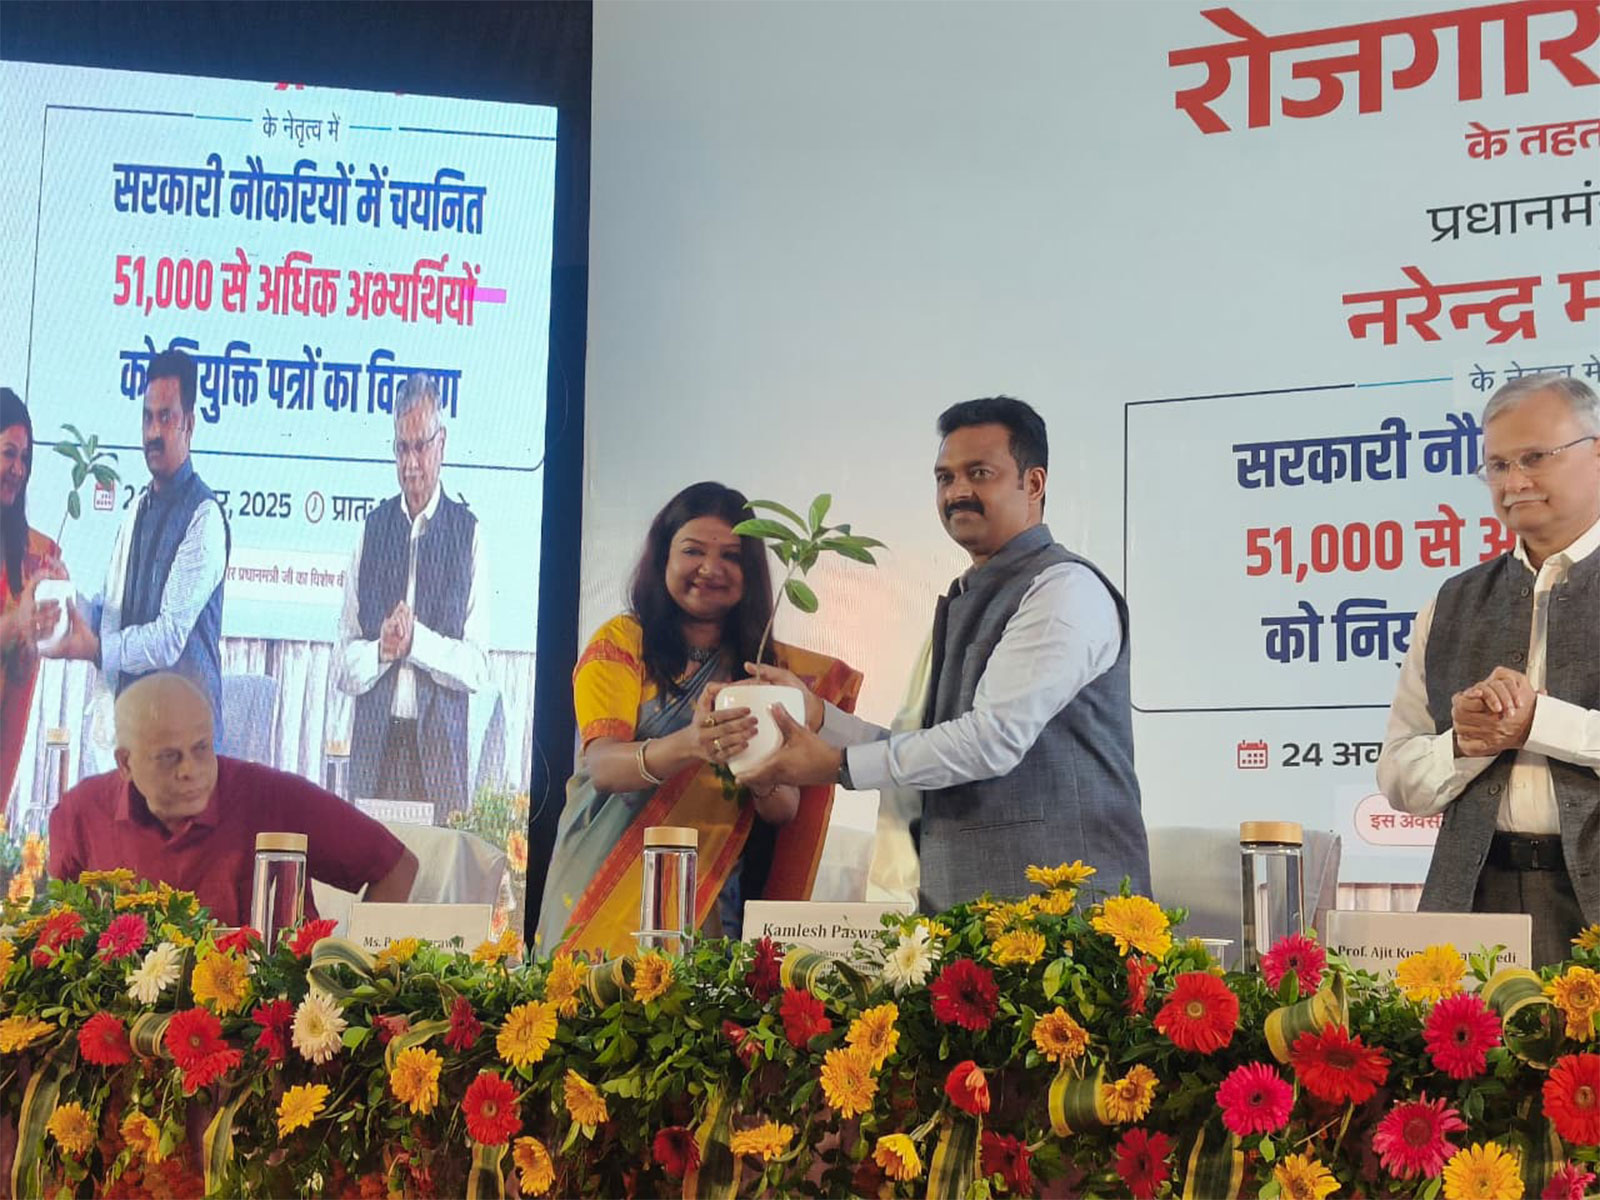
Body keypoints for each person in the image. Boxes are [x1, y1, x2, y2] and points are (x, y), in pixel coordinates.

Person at [739, 396, 1150, 913]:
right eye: (944, 478)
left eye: (979, 473)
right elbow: (932, 746)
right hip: (971, 920)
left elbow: (989, 741)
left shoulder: (1062, 588)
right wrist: (821, 718)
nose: (957, 493)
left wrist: (836, 765)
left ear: (1034, 484)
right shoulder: (966, 597)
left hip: (1067, 931)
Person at [535, 481, 862, 957]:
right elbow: (603, 768)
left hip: (709, 893)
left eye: (731, 556)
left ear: (750, 573)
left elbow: (784, 808)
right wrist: (693, 743)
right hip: (604, 889)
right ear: (663, 557)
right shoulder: (623, 642)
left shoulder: (762, 670)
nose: (711, 569)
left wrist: (754, 768)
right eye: (693, 551)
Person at [1378, 373, 1600, 967]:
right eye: (1497, 466)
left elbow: (1534, 724)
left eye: (1535, 458)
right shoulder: (1452, 602)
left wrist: (1537, 723)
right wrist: (1466, 744)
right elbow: (1399, 776)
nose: (1514, 483)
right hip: (1474, 901)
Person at [49, 672, 417, 926]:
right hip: (132, 1027)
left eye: (201, 748)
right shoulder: (80, 814)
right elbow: (61, 932)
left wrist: (357, 967)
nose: (190, 770)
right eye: (169, 756)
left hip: (269, 1024)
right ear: (125, 762)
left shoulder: (273, 797)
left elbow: (397, 866)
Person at [41, 349, 229, 742]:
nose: (153, 433)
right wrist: (67, 597)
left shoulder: (204, 518)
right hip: (137, 740)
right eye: (147, 417)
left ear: (189, 424)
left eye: (166, 417)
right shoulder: (136, 511)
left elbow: (166, 640)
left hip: (186, 750)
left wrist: (97, 650)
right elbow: (113, 615)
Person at [335, 373, 490, 819]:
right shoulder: (371, 529)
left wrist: (415, 643)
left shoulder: (469, 534)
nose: (412, 463)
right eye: (402, 448)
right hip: (374, 757)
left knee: (439, 888)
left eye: (421, 446)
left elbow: (476, 668)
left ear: (441, 443)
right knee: (369, 884)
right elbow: (342, 666)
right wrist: (383, 650)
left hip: (439, 764)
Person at [0, 388, 63, 811]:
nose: (17, 469)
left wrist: (53, 604)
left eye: (25, 458)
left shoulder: (32, 554)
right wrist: (16, 621)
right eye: (9, 453)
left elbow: (36, 653)